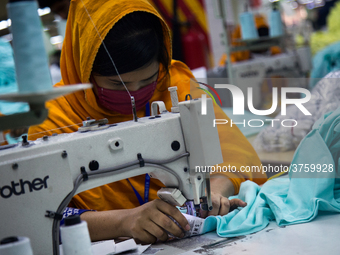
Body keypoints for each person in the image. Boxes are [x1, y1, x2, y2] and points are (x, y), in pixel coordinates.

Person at [28, 0, 267, 244]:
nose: (133, 95)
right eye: (117, 85)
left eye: (147, 81)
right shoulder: (52, 121)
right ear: (84, 70)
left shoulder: (177, 84)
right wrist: (124, 221)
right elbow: (38, 217)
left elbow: (234, 153)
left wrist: (215, 190)